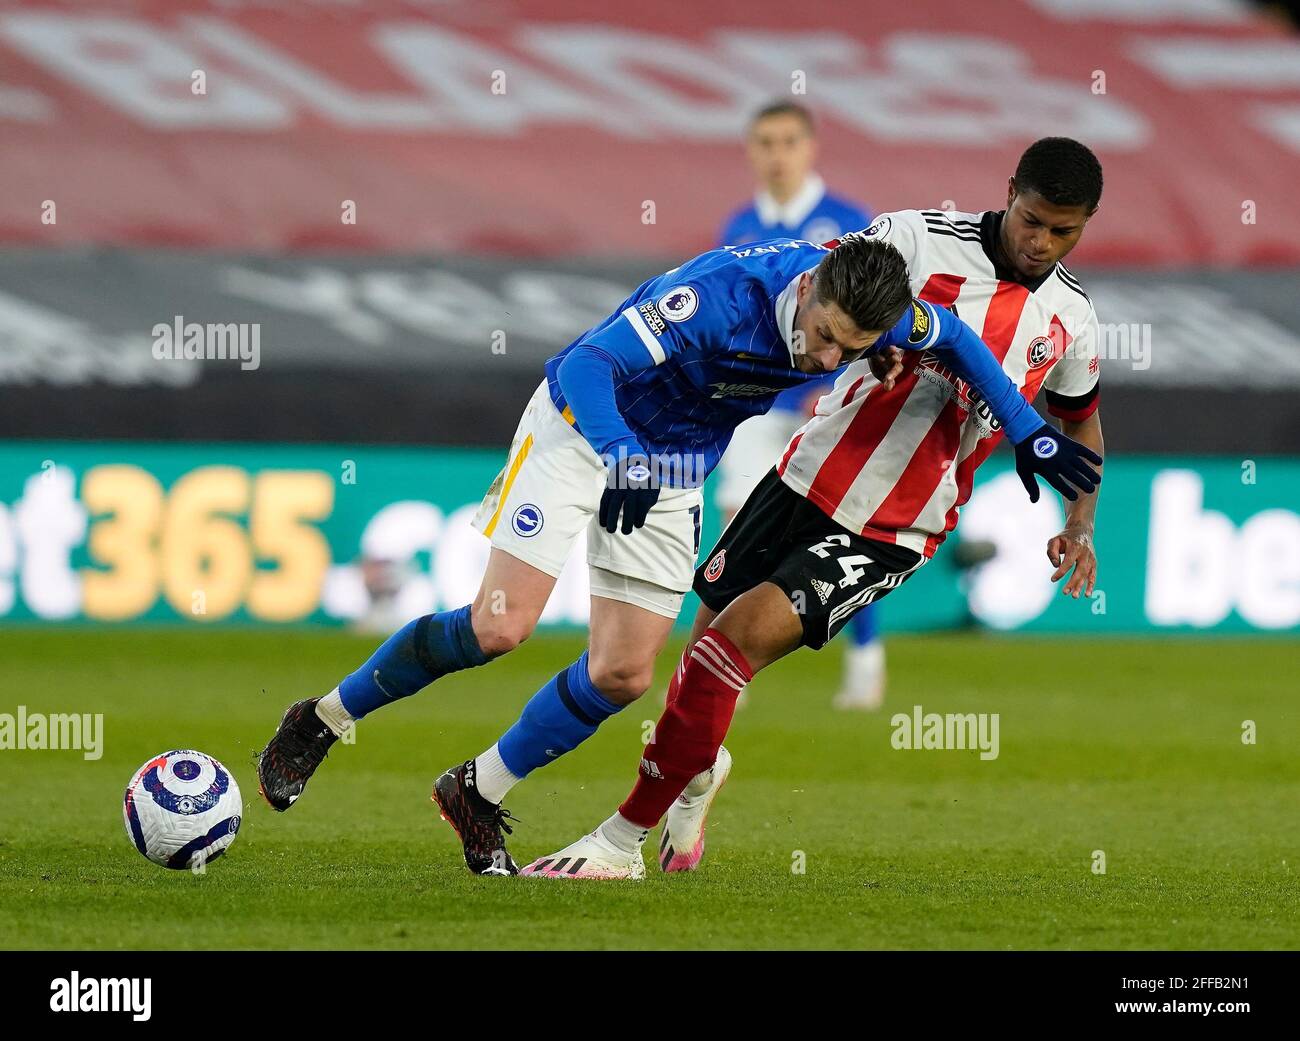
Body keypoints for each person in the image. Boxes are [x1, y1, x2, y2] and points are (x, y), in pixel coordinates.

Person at [258, 203, 1095, 878]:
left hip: (673, 468)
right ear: (808, 287)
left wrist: (1029, 429)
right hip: (586, 432)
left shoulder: (878, 316)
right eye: (825, 333)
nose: (826, 354)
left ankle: (475, 791)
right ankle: (323, 719)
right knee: (498, 628)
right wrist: (621, 454)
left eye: (851, 348)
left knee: (623, 673)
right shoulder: (721, 296)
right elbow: (588, 364)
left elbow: (951, 339)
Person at [521, 137, 1107, 880]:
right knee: (696, 668)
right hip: (800, 475)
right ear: (1010, 192)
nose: (1043, 241)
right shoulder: (912, 237)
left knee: (724, 651)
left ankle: (616, 842)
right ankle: (697, 773)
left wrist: (1079, 519)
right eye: (1034, 220)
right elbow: (823, 287)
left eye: (1066, 230)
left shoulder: (1074, 319)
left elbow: (1080, 421)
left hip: (898, 525)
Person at [716, 100, 886, 710]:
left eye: (789, 141)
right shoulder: (738, 226)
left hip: (824, 400)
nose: (777, 154)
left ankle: (865, 659)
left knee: (833, 534)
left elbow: (875, 315)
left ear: (810, 148)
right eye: (765, 142)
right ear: (750, 150)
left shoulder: (848, 220)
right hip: (757, 407)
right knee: (741, 531)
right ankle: (723, 668)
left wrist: (838, 374)